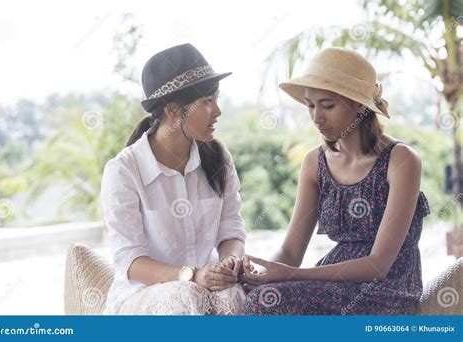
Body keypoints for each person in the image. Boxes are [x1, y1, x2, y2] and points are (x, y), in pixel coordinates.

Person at [240, 47, 430, 315]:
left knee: (267, 302)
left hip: (386, 291)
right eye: (310, 105)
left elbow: (379, 264)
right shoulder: (314, 163)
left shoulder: (401, 160)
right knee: (260, 295)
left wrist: (292, 275)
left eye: (328, 105)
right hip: (328, 283)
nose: (317, 117)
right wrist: (261, 274)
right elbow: (291, 251)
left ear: (359, 105)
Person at [101, 43, 246, 315]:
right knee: (185, 297)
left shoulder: (218, 158)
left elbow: (232, 230)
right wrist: (191, 275)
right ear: (172, 110)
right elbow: (129, 260)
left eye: (217, 99)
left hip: (203, 286)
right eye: (206, 102)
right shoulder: (123, 170)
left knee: (234, 297)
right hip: (140, 295)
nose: (217, 111)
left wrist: (228, 263)